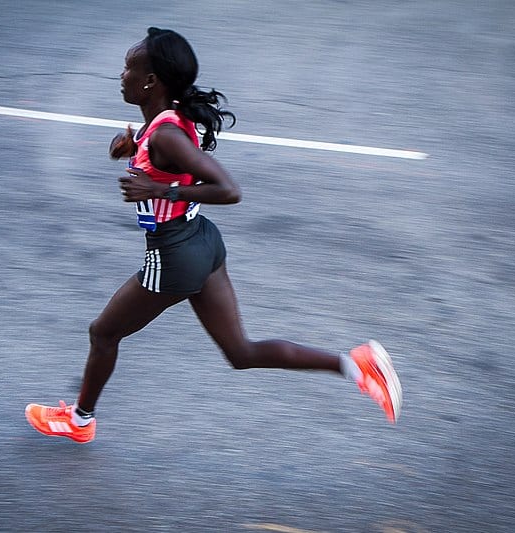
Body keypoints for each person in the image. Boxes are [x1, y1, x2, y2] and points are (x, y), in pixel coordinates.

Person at [25, 27, 402, 443]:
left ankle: (79, 421)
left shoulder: (167, 133)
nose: (121, 75)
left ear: (151, 80)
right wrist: (132, 149)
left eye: (128, 68)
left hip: (174, 255)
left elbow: (229, 189)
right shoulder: (163, 122)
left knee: (103, 333)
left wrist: (158, 190)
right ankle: (356, 365)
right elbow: (166, 161)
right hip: (203, 242)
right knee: (240, 352)